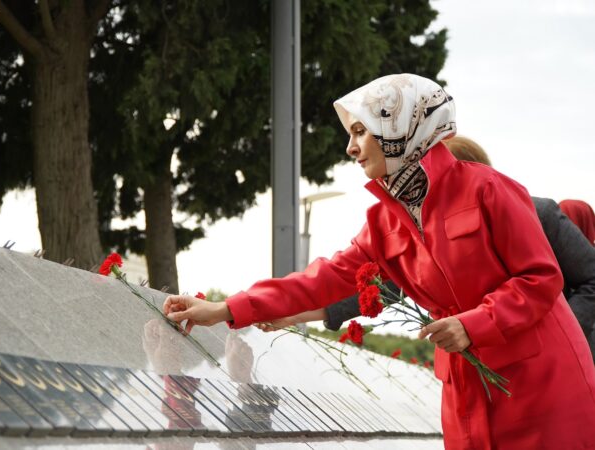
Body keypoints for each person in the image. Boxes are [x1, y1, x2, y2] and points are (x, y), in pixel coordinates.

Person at [163, 74, 595, 449]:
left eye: (359, 132)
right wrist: (223, 310)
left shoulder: (489, 189)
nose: (350, 148)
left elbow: (541, 278)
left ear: (400, 127)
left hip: (542, 387)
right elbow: (323, 279)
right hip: (466, 390)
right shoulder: (385, 219)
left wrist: (472, 324)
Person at [277, 135, 595, 362]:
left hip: (558, 367)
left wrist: (563, 335)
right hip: (483, 374)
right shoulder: (425, 238)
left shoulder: (536, 214)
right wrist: (289, 312)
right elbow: (383, 290)